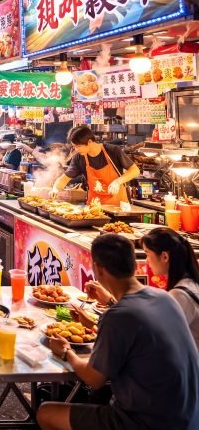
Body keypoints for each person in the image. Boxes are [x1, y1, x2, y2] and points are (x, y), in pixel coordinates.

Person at [37, 233, 199, 430]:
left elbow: (93, 378)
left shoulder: (118, 316)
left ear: (98, 269)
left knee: (46, 412)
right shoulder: (164, 298)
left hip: (147, 422)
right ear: (134, 264)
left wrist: (65, 351)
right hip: (188, 417)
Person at [139, 228, 199, 347]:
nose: (146, 261)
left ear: (165, 257)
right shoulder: (190, 282)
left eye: (147, 253)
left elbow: (158, 338)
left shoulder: (180, 295)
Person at [50, 125, 140, 205]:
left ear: (89, 142)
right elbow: (65, 178)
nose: (76, 149)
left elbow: (135, 170)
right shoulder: (79, 158)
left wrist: (118, 181)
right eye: (74, 146)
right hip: (94, 206)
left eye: (79, 146)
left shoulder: (113, 151)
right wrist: (55, 189)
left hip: (118, 205)